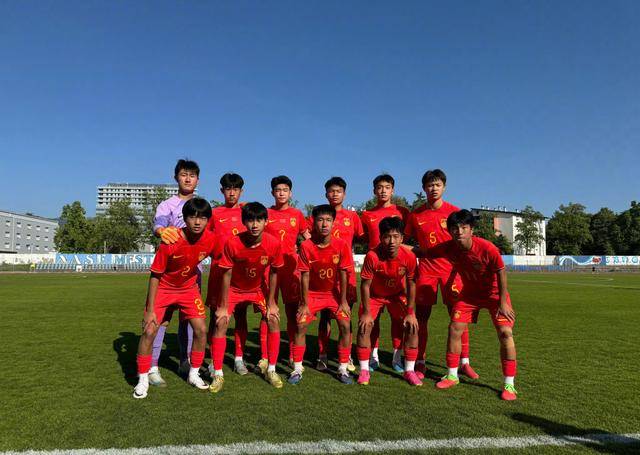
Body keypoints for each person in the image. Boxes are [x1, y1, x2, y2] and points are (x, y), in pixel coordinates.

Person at [417, 209, 518, 401]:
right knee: (454, 328)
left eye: (464, 227)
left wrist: (503, 302)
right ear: (450, 231)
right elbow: (423, 252)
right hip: (469, 295)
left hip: (494, 295)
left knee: (506, 333)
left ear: (472, 229)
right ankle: (452, 375)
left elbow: (501, 272)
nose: (459, 232)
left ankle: (509, 384)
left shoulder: (487, 248)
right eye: (455, 228)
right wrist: (395, 246)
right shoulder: (448, 248)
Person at [133, 198, 215, 399]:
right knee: (149, 330)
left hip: (188, 289)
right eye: (192, 217)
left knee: (201, 330)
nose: (197, 222)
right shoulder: (171, 240)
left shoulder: (211, 240)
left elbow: (225, 258)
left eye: (202, 218)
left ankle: (193, 374)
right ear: (184, 219)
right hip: (164, 288)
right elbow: (155, 275)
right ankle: (142, 379)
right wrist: (150, 309)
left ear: (208, 220)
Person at [404, 169, 477, 380]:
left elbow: (465, 242)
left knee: (459, 316)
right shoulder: (416, 215)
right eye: (430, 185)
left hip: (451, 272)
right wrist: (417, 251)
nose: (433, 189)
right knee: (421, 318)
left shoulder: (454, 213)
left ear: (444, 187)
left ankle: (464, 362)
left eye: (437, 185)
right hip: (426, 271)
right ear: (424, 188)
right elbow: (404, 240)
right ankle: (420, 361)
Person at [209, 202, 285, 392]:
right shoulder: (233, 243)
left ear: (266, 221)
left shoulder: (273, 243)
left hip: (257, 289)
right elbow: (226, 274)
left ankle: (271, 370)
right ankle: (217, 373)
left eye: (259, 220)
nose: (255, 224)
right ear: (244, 222)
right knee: (221, 321)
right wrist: (223, 306)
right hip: (234, 289)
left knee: (273, 319)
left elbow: (274, 272)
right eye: (250, 220)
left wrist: (272, 302)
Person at [148, 159, 200, 387]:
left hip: (193, 273)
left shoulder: (201, 205)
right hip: (168, 274)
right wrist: (161, 230)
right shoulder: (167, 205)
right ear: (176, 177)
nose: (188, 179)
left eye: (192, 175)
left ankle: (184, 361)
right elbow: (158, 224)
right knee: (161, 320)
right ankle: (152, 366)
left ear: (198, 180)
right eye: (183, 174)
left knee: (189, 320)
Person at [288, 205, 354, 385]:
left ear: (333, 223)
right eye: (320, 220)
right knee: (301, 325)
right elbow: (304, 276)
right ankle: (297, 368)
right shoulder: (306, 246)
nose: (324, 224)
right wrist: (304, 303)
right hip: (313, 294)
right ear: (314, 223)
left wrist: (343, 302)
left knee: (345, 324)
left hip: (334, 294)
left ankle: (342, 368)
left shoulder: (341, 245)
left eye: (328, 220)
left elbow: (343, 274)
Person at [356, 217, 421, 386]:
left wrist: (411, 312)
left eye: (395, 236)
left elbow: (412, 284)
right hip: (374, 296)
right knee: (365, 326)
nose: (391, 241)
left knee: (412, 326)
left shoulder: (409, 256)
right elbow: (365, 285)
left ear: (402, 238)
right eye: (387, 236)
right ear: (380, 238)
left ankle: (408, 370)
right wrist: (366, 312)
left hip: (397, 295)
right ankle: (364, 370)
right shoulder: (372, 256)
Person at [311, 177, 364, 371]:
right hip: (324, 274)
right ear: (326, 194)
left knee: (345, 316)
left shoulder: (352, 217)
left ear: (344, 194)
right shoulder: (319, 215)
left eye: (338, 191)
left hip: (346, 274)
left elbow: (360, 238)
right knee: (325, 317)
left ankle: (347, 355)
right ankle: (322, 355)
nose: (335, 194)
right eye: (331, 191)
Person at [360, 174, 410, 371]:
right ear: (374, 191)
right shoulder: (366, 215)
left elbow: (407, 237)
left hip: (397, 272)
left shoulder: (403, 212)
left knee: (398, 320)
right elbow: (363, 238)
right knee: (374, 319)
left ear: (393, 190)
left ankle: (397, 358)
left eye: (387, 187)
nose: (383, 191)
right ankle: (373, 356)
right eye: (379, 187)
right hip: (376, 271)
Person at [205, 173, 249, 375]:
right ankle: (213, 359)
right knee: (216, 316)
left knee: (240, 315)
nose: (232, 193)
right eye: (228, 189)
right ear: (222, 191)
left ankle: (239, 358)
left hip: (241, 275)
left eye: (236, 189)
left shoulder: (246, 212)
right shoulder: (214, 214)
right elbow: (205, 238)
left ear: (241, 191)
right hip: (219, 272)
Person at [264, 175, 309, 369]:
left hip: (291, 268)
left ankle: (292, 354)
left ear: (290, 193)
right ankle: (265, 356)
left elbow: (307, 237)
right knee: (267, 311)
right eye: (278, 190)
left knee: (292, 312)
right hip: (269, 268)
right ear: (272, 193)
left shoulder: (297, 214)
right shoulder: (266, 213)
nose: (281, 193)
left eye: (285, 190)